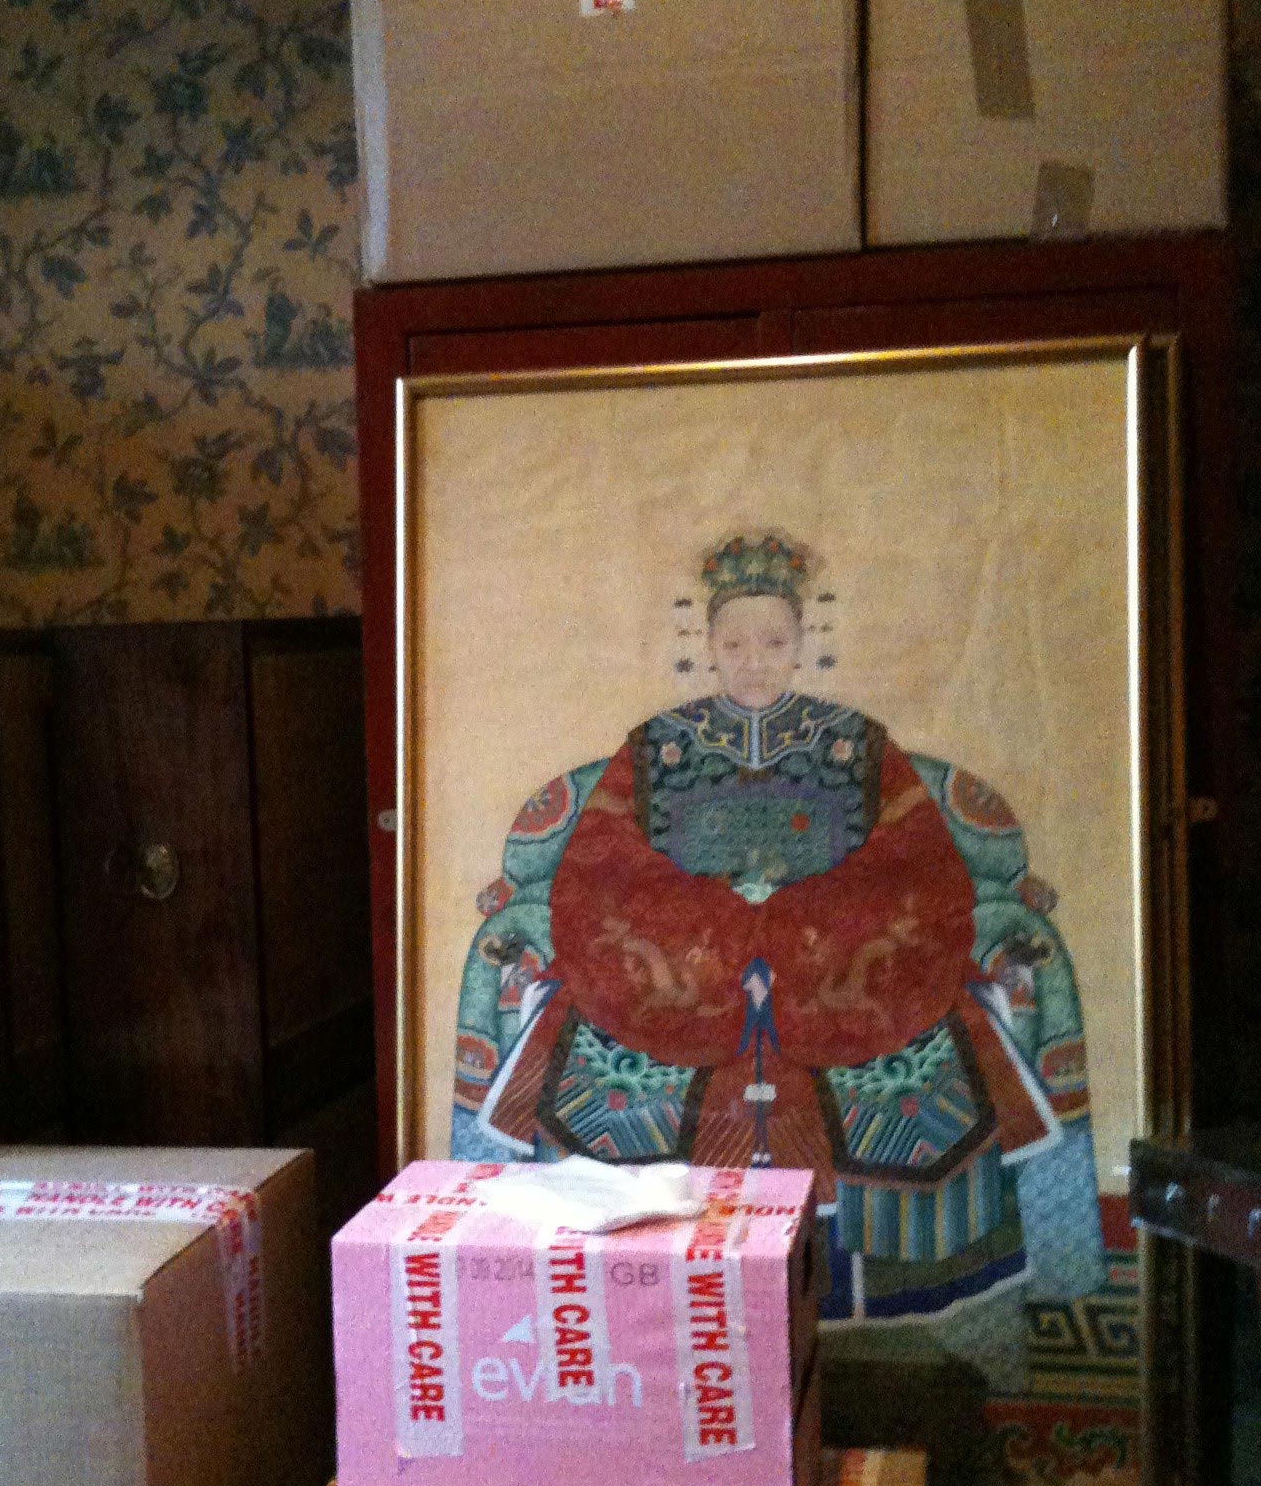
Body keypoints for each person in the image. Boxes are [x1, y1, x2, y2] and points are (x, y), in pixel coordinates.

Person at [461, 531, 1103, 1333]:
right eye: (734, 643)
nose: (753, 660)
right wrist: (723, 930)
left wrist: (795, 927)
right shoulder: (658, 746)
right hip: (682, 952)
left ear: (804, 645)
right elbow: (605, 856)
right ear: (708, 648)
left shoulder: (856, 743)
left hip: (837, 941)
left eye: (773, 642)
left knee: (948, 1043)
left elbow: (914, 856)